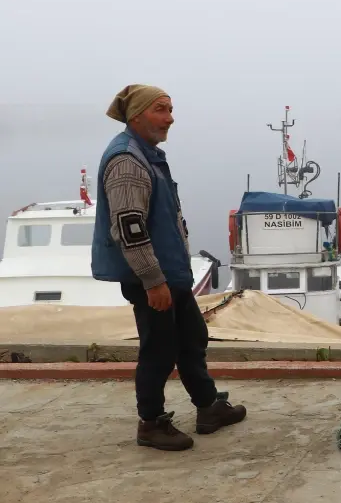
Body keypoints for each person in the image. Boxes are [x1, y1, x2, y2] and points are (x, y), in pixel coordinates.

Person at [92, 85, 247, 451]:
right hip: (153, 278)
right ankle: (151, 424)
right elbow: (129, 230)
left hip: (169, 274)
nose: (170, 118)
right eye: (161, 110)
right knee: (159, 349)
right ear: (137, 116)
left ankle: (209, 407)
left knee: (191, 339)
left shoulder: (148, 155)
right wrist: (153, 281)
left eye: (171, 109)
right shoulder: (127, 162)